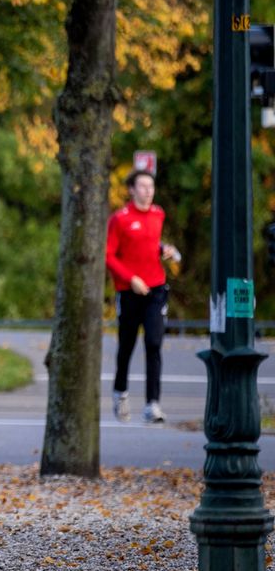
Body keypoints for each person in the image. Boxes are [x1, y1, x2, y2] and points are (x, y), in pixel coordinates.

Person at [105, 170, 178, 425]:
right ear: (132, 190)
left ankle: (152, 404)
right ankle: (120, 392)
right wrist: (130, 279)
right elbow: (109, 255)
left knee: (154, 343)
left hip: (155, 289)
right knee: (126, 345)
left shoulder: (158, 214)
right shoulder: (120, 219)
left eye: (151, 186)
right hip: (129, 291)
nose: (148, 191)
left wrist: (164, 250)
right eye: (143, 186)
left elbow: (150, 243)